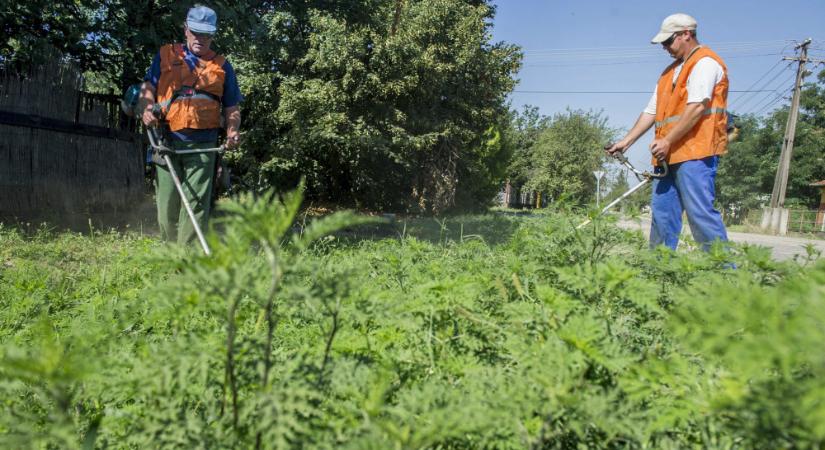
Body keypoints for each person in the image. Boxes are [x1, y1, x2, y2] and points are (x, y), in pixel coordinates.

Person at [606, 13, 729, 251]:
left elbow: (697, 107)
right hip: (666, 156)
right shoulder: (668, 73)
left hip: (696, 152)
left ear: (686, 34)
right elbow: (651, 111)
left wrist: (668, 140)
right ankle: (659, 272)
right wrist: (626, 141)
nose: (664, 47)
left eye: (668, 41)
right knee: (662, 217)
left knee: (700, 216)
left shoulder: (704, 63)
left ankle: (724, 277)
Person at [140, 5, 242, 245]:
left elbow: (232, 108)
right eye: (196, 32)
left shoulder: (223, 66)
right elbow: (148, 88)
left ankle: (187, 259)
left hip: (204, 145)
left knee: (195, 205)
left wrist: (232, 130)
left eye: (206, 34)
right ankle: (169, 250)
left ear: (213, 35)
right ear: (185, 29)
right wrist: (146, 109)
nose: (200, 39)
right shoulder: (166, 55)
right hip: (166, 141)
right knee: (166, 206)